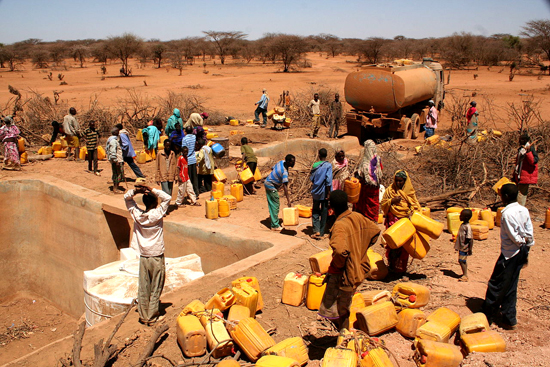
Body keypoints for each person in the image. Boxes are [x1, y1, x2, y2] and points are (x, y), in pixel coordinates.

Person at [318, 190, 381, 330]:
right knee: (344, 304)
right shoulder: (357, 216)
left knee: (341, 309)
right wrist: (360, 249)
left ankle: (344, 338)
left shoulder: (339, 226)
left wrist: (340, 265)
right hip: (361, 267)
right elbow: (375, 231)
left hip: (346, 274)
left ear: (331, 207)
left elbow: (340, 251)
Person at [482, 183, 534, 330]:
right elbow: (529, 231)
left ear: (504, 197)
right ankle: (509, 319)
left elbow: (513, 235)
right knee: (511, 285)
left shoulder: (506, 213)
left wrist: (520, 242)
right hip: (522, 250)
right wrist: (527, 245)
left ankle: (487, 316)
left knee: (496, 284)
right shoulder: (523, 210)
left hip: (510, 253)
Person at [124, 180, 171, 326]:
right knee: (156, 286)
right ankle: (152, 316)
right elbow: (168, 198)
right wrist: (153, 189)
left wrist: (135, 192)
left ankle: (144, 314)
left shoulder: (137, 215)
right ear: (156, 203)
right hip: (156, 255)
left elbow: (127, 198)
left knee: (144, 285)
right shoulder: (157, 215)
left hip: (144, 256)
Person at [380, 170, 421, 272]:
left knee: (403, 246)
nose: (398, 183)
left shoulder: (409, 192)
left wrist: (413, 212)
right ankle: (392, 266)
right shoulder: (390, 190)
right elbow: (383, 204)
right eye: (397, 181)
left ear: (405, 181)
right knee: (393, 244)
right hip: (392, 221)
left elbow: (416, 206)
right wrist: (391, 201)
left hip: (404, 222)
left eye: (401, 181)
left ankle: (401, 268)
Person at [264, 154, 295, 231]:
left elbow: (273, 168)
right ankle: (274, 225)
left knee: (272, 202)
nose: (294, 163)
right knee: (275, 203)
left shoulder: (281, 162)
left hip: (268, 182)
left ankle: (272, 218)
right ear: (288, 162)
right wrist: (288, 200)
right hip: (271, 186)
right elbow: (285, 187)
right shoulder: (284, 172)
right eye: (292, 162)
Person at [354, 140, 383, 222]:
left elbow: (360, 174)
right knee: (374, 204)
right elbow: (381, 170)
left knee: (364, 204)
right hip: (375, 187)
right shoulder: (378, 159)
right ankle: (373, 219)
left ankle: (365, 220)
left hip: (366, 188)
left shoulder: (364, 162)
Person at [310, 148, 333, 240]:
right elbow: (328, 180)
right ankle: (322, 232)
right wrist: (328, 194)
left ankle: (316, 230)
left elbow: (311, 178)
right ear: (326, 155)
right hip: (324, 192)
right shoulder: (328, 166)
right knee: (324, 211)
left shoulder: (315, 165)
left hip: (316, 191)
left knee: (315, 210)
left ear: (319, 155)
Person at [512, 133, 538, 206]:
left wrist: (529, 152)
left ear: (526, 140)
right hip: (519, 175)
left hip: (525, 175)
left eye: (522, 140)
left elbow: (533, 162)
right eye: (520, 139)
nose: (520, 141)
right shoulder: (521, 149)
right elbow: (518, 163)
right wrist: (514, 174)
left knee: (521, 195)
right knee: (517, 193)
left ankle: (520, 211)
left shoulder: (531, 149)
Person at [455, 209, 473, 282]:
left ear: (465, 218)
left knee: (462, 261)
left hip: (464, 247)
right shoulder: (463, 225)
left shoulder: (467, 227)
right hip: (461, 246)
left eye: (461, 215)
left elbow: (470, 239)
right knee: (461, 260)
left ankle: (465, 275)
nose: (459, 216)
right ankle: (464, 274)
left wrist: (470, 249)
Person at [182, 126, 199, 196]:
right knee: (194, 177)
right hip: (193, 159)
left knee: (189, 178)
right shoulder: (194, 137)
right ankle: (196, 192)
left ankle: (191, 194)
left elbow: (183, 149)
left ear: (186, 131)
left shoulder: (185, 139)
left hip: (187, 160)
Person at [106, 128, 124, 193]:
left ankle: (116, 187)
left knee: (116, 173)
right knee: (118, 174)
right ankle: (115, 189)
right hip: (117, 160)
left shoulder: (113, 139)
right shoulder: (113, 141)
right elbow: (112, 151)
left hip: (117, 159)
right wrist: (116, 160)